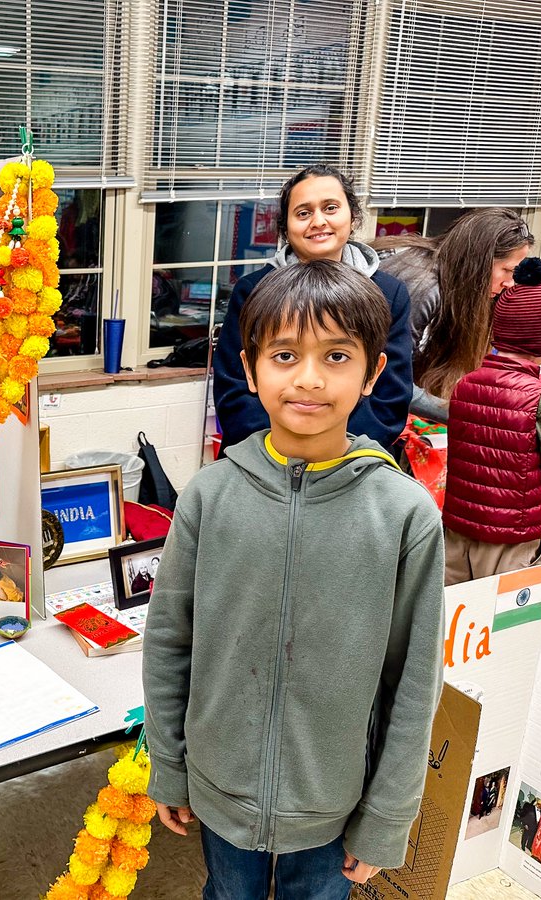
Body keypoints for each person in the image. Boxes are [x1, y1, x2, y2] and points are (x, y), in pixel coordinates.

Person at [144, 261, 443, 898]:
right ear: (250, 370)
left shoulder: (404, 514)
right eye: (284, 355)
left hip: (336, 805)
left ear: (372, 373)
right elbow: (170, 644)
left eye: (337, 355)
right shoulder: (209, 497)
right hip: (218, 793)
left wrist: (386, 818)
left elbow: (412, 684)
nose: (309, 379)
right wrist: (169, 766)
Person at [213, 164, 413, 456]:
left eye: (330, 208)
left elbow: (390, 398)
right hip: (261, 456)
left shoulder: (388, 293)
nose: (318, 221)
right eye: (303, 213)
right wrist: (281, 452)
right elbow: (234, 389)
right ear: (285, 227)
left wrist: (331, 453)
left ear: (353, 216)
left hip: (349, 461)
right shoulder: (252, 290)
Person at [441, 258, 541, 585]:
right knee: (506, 621)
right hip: (512, 535)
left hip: (458, 527)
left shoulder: (466, 384)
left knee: (457, 616)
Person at [376, 208, 534, 414]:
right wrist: (465, 415)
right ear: (478, 261)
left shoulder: (456, 280)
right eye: (507, 270)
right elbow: (390, 380)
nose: (510, 283)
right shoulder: (422, 285)